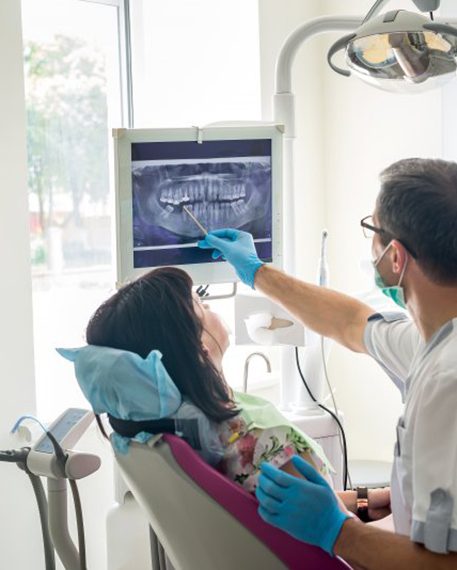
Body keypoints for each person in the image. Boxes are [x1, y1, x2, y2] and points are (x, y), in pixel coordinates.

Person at [197, 157, 457, 568]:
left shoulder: (448, 380)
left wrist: (339, 531)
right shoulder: (432, 339)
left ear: (395, 258)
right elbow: (350, 322)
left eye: (372, 229)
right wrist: (257, 272)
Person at [59, 266, 335, 494]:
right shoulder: (266, 442)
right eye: (201, 305)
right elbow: (336, 531)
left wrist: (363, 499)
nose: (210, 305)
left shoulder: (165, 439)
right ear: (197, 348)